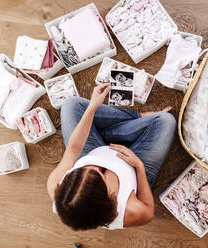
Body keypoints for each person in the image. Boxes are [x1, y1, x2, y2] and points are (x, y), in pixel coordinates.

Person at [47, 83, 176, 230]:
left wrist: (93, 106)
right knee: (166, 120)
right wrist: (139, 166)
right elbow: (148, 209)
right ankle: (118, 130)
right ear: (110, 194)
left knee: (71, 105)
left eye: (79, 168)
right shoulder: (131, 211)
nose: (94, 164)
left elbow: (73, 149)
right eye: (100, 171)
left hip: (96, 148)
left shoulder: (56, 187)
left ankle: (131, 122)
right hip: (133, 165)